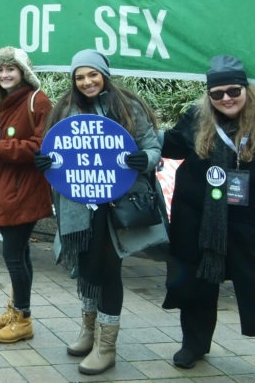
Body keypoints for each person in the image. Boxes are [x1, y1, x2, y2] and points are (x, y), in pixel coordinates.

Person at [40, 49, 161, 375]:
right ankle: (88, 332)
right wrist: (47, 162)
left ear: (103, 74)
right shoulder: (65, 109)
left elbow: (152, 146)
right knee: (87, 267)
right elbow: (56, 149)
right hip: (79, 206)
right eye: (79, 77)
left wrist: (144, 160)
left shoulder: (127, 105)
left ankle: (106, 347)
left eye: (92, 74)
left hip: (116, 204)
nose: (86, 81)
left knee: (108, 270)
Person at [161, 55, 255, 369]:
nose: (226, 98)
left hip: (247, 220)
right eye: (218, 94)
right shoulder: (196, 117)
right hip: (198, 218)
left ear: (245, 88)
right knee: (197, 282)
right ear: (209, 95)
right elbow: (170, 144)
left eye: (233, 91)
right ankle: (194, 345)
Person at [0, 47, 53, 342]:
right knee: (20, 254)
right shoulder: (1, 101)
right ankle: (17, 310)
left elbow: (42, 146)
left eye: (10, 69)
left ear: (24, 71)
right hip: (5, 186)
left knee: (13, 255)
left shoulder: (38, 100)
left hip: (24, 189)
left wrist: (0, 147)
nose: (4, 74)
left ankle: (23, 319)